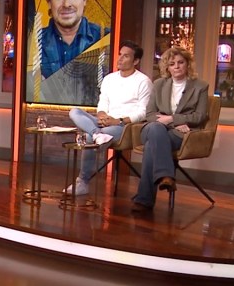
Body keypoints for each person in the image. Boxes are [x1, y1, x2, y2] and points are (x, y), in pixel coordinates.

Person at [65, 40, 152, 196]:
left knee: (88, 138)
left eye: (126, 56)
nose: (120, 58)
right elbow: (103, 101)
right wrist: (102, 115)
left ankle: (82, 182)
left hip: (125, 126)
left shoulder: (143, 81)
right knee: (74, 112)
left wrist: (118, 121)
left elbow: (143, 113)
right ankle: (97, 134)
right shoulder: (109, 78)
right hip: (104, 122)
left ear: (136, 61)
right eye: (120, 54)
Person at [131, 47, 209, 213]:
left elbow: (200, 116)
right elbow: (150, 114)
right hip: (154, 128)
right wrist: (173, 122)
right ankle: (166, 175)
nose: (177, 67)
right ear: (167, 67)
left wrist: (172, 118)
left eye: (181, 62)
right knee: (155, 128)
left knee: (152, 146)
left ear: (188, 64)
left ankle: (144, 200)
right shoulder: (159, 84)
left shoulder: (200, 86)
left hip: (179, 134)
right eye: (172, 64)